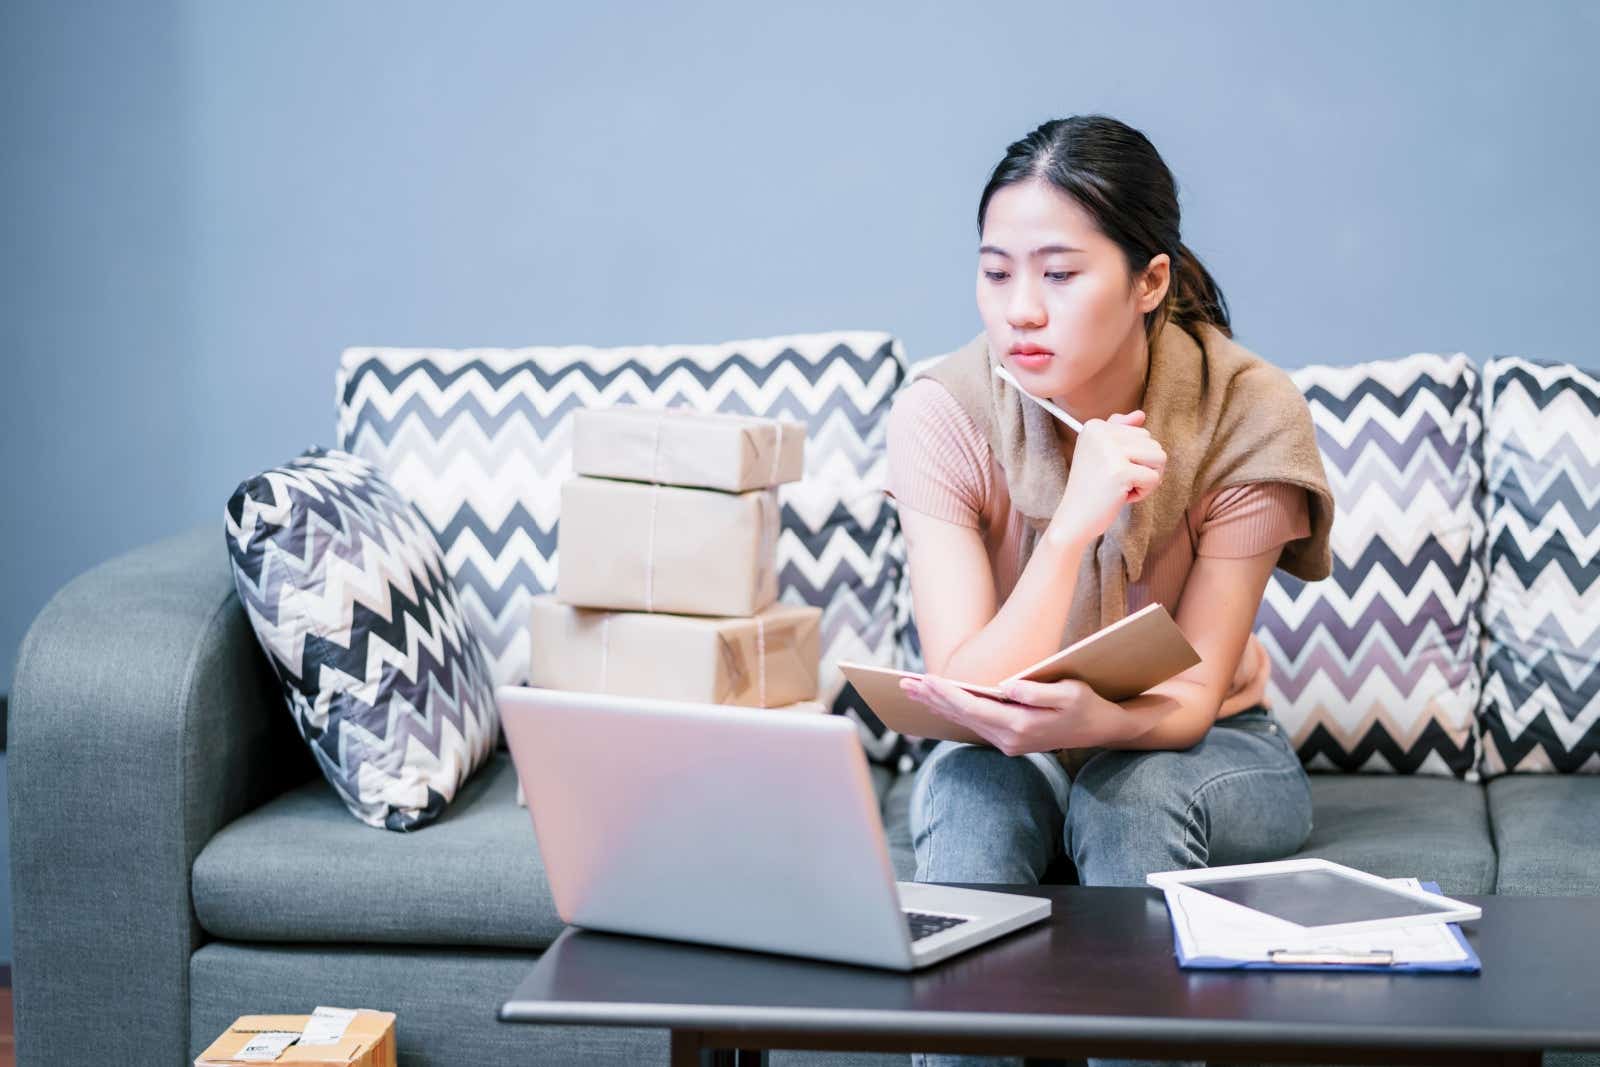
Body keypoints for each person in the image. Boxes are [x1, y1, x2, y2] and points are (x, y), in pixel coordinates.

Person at [886, 115, 1336, 1067]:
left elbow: (1193, 696)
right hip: (1010, 734)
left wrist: (1095, 720)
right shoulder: (943, 411)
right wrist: (1075, 527)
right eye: (996, 271)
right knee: (969, 794)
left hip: (1205, 738)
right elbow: (966, 683)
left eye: (1059, 273)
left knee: (1125, 800)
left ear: (1150, 282)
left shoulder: (1249, 410)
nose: (1020, 310)